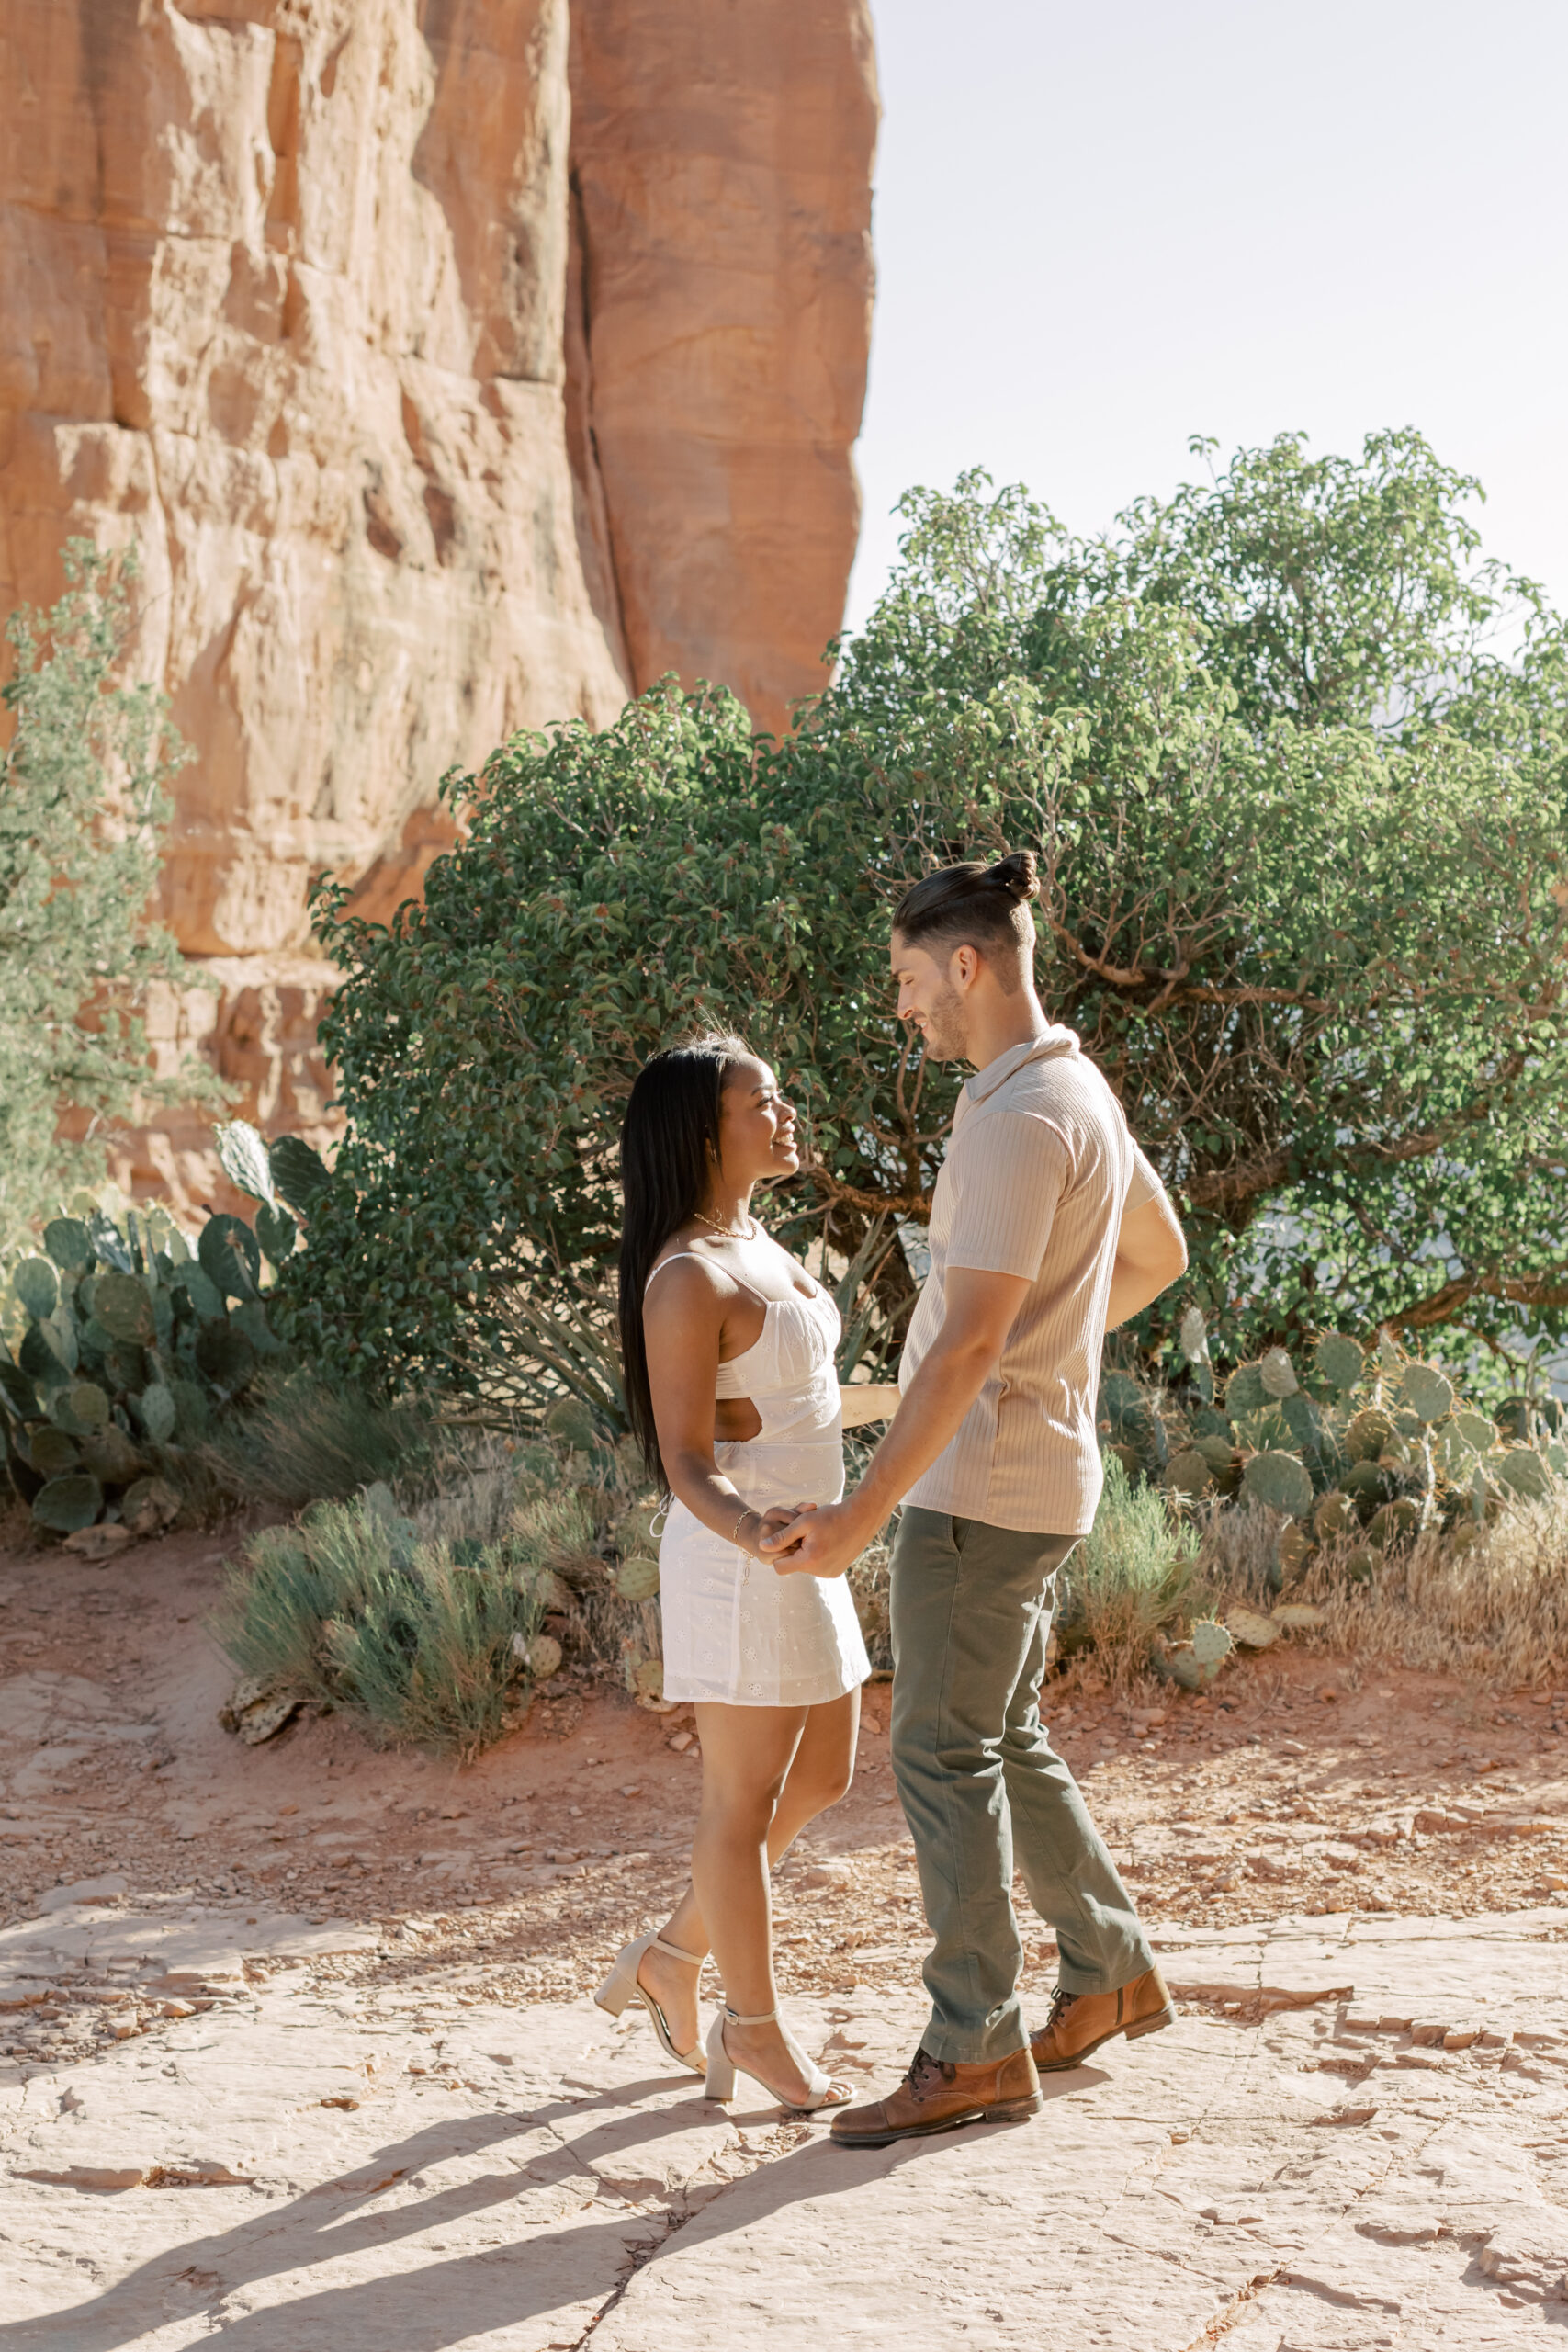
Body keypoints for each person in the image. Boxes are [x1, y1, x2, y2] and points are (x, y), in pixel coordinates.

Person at [761, 850, 1189, 2148]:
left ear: (966, 964)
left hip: (980, 1494)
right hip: (1043, 1477)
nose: (901, 1009)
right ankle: (1106, 1971)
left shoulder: (1013, 1119)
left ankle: (974, 2048)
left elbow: (957, 1351)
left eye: (906, 980)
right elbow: (1156, 1257)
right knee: (1000, 1737)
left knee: (938, 1752)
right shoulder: (1074, 1087)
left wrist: (848, 1522)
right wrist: (1043, 1357)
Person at [595, 1035, 882, 2113]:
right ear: (707, 1130)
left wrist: (940, 1397)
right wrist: (753, 1531)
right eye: (766, 1101)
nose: (785, 1112)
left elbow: (801, 1402)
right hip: (741, 1558)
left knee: (825, 1778)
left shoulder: (756, 1239)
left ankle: (671, 1957)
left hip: (811, 1547)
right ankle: (752, 2028)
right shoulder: (686, 1276)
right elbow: (685, 1460)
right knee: (740, 1799)